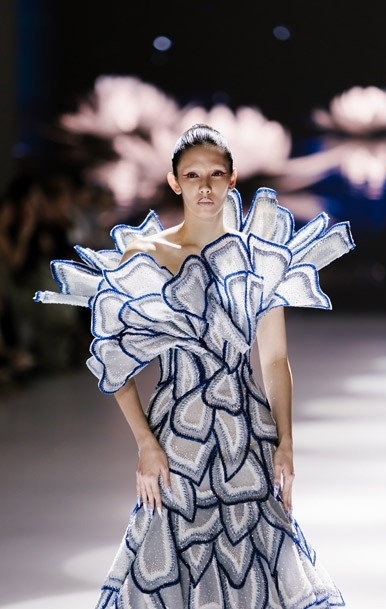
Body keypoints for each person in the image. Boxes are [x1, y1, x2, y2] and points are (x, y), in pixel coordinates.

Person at [35, 124, 355, 608]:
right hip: (175, 439)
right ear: (174, 182)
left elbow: (273, 359)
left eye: (215, 174)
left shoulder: (259, 258)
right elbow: (114, 358)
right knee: (169, 551)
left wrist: (286, 442)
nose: (205, 186)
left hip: (248, 434)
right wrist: (145, 444)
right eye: (192, 175)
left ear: (232, 180)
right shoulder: (145, 255)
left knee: (260, 556)